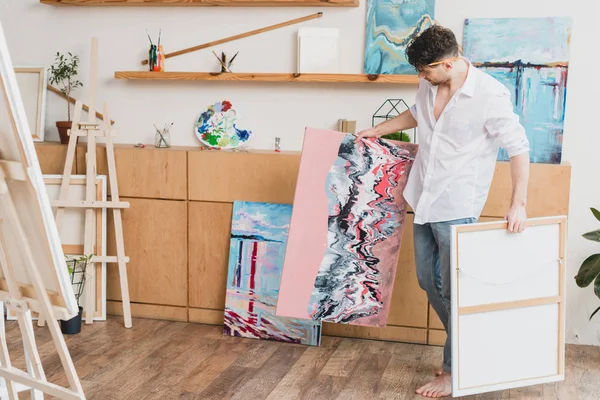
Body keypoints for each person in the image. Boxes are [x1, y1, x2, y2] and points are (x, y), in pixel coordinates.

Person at [355, 25, 530, 398]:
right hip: (423, 198)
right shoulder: (429, 84)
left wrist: (518, 203)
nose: (422, 77)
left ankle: (454, 370)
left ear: (448, 64)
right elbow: (417, 115)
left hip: (457, 204)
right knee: (428, 282)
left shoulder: (490, 95)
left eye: (426, 70)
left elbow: (518, 148)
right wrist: (379, 130)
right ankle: (473, 351)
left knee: (455, 289)